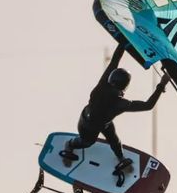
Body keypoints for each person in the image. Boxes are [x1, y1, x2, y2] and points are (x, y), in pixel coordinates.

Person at [60, 43, 170, 172]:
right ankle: (70, 144)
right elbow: (148, 105)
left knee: (114, 139)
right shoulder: (120, 104)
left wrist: (123, 41)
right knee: (88, 142)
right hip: (88, 126)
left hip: (96, 120)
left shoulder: (103, 84)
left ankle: (121, 159)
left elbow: (115, 60)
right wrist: (161, 84)